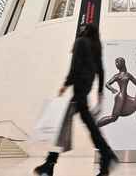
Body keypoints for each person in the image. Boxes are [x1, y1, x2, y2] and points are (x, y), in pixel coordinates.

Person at [34, 24, 117, 176]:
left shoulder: (81, 42)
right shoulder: (96, 46)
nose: (80, 30)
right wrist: (99, 92)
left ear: (85, 31)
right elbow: (101, 70)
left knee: (74, 120)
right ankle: (50, 163)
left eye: (82, 28)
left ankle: (106, 155)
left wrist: (65, 84)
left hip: (79, 84)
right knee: (73, 120)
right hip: (86, 84)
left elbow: (75, 66)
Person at [97, 57, 136, 139]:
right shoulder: (117, 76)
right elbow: (107, 84)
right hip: (120, 97)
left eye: (117, 62)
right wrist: (113, 89)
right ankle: (96, 126)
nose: (116, 65)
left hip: (126, 97)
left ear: (123, 63)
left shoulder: (128, 75)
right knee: (113, 118)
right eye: (116, 63)